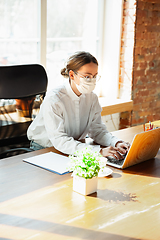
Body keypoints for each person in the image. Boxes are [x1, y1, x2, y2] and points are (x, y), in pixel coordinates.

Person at [27, 51, 130, 159]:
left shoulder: (92, 98)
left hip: (74, 147)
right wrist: (98, 151)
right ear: (72, 75)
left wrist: (116, 142)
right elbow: (59, 140)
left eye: (94, 76)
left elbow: (97, 131)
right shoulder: (54, 99)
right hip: (45, 149)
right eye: (87, 76)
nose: (92, 81)